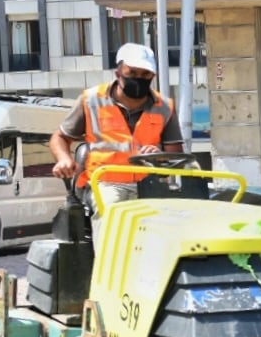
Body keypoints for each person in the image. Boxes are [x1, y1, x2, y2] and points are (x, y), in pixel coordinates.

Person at [50, 43, 183, 237]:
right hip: (106, 183)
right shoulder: (91, 100)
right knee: (113, 213)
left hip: (151, 184)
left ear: (153, 76)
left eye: (145, 75)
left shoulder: (165, 107)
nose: (139, 78)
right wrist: (64, 159)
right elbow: (60, 137)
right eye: (133, 72)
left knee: (167, 227)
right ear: (118, 73)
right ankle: (109, 264)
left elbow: (176, 155)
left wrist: (159, 156)